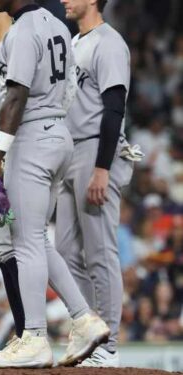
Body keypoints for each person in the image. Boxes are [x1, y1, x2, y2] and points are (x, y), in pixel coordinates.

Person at [0, 0, 109, 368]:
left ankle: (34, 335)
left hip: (31, 134)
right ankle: (84, 318)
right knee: (36, 236)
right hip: (58, 133)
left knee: (26, 240)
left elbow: (15, 95)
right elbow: (69, 90)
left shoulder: (22, 30)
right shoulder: (58, 28)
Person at [58, 0, 140, 367]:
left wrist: (103, 168)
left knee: (100, 251)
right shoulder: (74, 43)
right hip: (67, 150)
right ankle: (91, 335)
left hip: (95, 149)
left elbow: (114, 107)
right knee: (65, 251)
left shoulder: (109, 42)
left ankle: (109, 345)